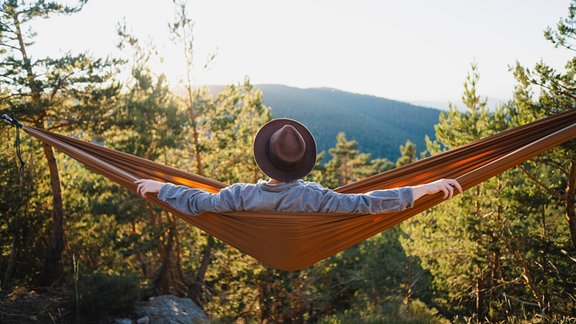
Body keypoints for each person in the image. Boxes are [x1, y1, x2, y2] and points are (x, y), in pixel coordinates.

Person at [135, 118, 462, 216]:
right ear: (301, 165)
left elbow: (196, 202)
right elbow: (366, 203)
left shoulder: (239, 196)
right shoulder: (318, 199)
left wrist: (162, 189)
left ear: (265, 157)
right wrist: (423, 189)